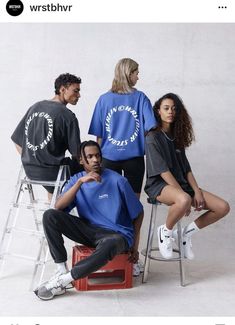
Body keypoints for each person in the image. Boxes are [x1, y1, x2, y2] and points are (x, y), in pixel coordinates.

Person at [34, 140, 144, 301]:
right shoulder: (76, 180)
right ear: (81, 160)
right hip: (90, 231)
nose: (95, 160)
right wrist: (79, 183)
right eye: (90, 156)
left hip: (116, 235)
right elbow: (58, 207)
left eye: (98, 156)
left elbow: (139, 213)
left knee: (111, 242)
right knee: (50, 216)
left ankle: (63, 281)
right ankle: (60, 269)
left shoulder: (118, 181)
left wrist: (134, 246)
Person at [144, 93, 230, 260]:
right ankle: (165, 231)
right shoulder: (152, 137)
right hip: (159, 185)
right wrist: (186, 199)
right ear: (158, 111)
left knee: (222, 207)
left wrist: (196, 191)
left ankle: (184, 234)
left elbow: (186, 169)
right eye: (166, 108)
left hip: (181, 185)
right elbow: (163, 171)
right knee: (183, 199)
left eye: (174, 109)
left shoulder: (176, 137)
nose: (170, 112)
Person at [88, 58, 157, 198]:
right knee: (133, 202)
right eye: (136, 73)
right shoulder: (140, 98)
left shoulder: (104, 99)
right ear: (128, 73)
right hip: (134, 158)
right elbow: (152, 126)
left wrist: (98, 159)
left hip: (108, 157)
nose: (138, 77)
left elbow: (99, 135)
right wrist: (136, 138)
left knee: (110, 200)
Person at [11, 73, 82, 199]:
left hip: (29, 170)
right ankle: (70, 213)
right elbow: (77, 153)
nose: (79, 95)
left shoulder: (35, 107)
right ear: (62, 89)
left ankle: (52, 208)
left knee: (55, 185)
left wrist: (34, 159)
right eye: (75, 91)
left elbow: (17, 141)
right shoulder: (68, 116)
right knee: (88, 168)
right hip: (52, 172)